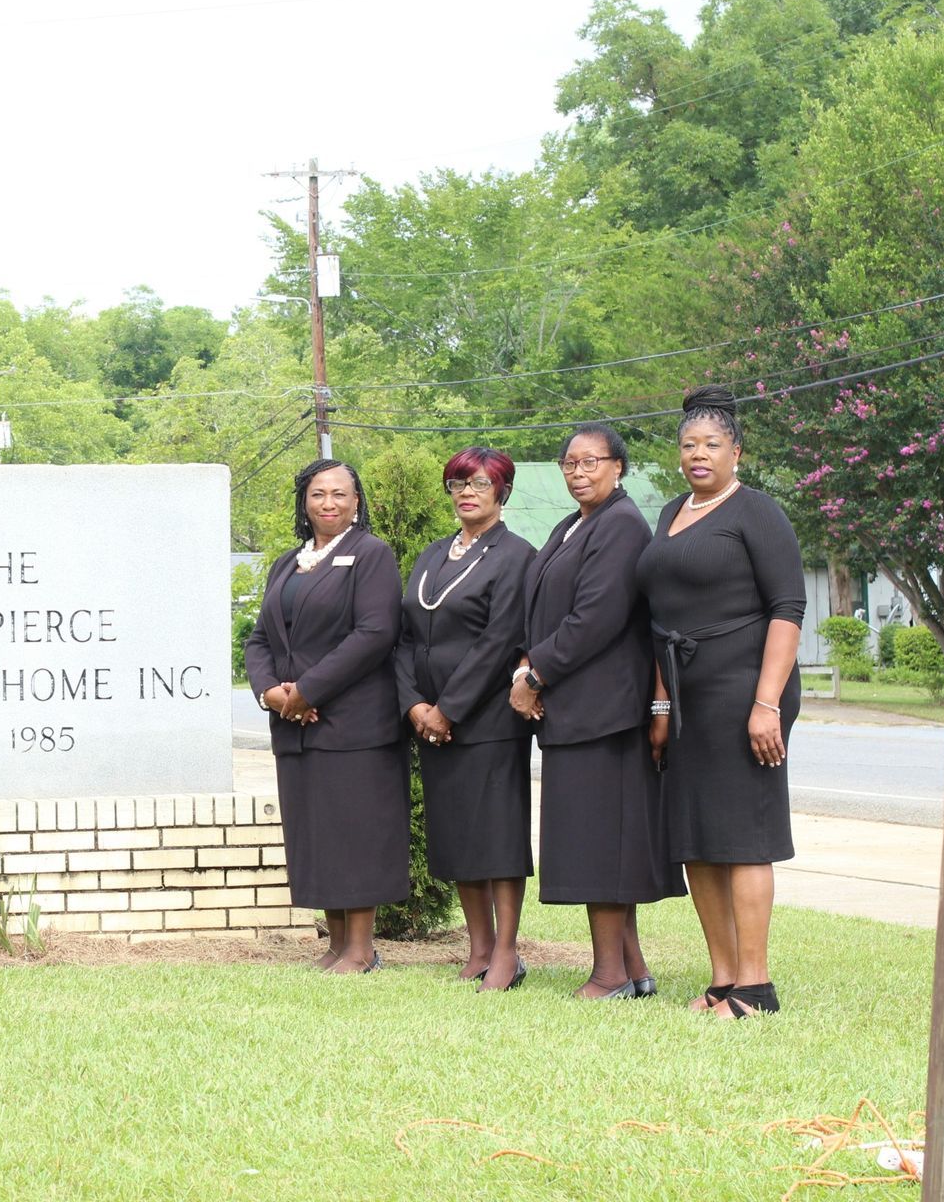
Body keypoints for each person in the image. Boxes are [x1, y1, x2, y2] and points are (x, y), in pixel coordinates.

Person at [637, 385, 804, 1019]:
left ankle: (756, 987)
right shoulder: (673, 511)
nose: (698, 455)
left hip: (744, 687)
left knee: (743, 834)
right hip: (685, 690)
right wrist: (660, 705)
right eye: (688, 445)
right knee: (697, 838)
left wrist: (766, 704)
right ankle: (724, 977)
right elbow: (660, 616)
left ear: (737, 451)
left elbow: (788, 608)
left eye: (711, 444)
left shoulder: (757, 512)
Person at [509, 423, 682, 999]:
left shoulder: (623, 526)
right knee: (594, 838)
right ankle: (632, 969)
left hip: (606, 711)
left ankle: (608, 975)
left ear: (618, 467)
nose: (578, 472)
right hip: (576, 710)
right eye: (569, 464)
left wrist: (536, 674)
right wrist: (529, 666)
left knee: (602, 843)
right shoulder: (572, 525)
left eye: (591, 462)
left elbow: (596, 618)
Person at [243, 458, 405, 975]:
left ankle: (361, 949)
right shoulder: (288, 563)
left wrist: (309, 691)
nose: (328, 503)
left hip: (353, 723)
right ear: (304, 501)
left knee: (355, 832)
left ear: (357, 502)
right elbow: (260, 638)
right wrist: (272, 692)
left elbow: (375, 634)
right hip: (296, 726)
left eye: (339, 494)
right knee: (318, 834)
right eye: (318, 494)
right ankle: (336, 944)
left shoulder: (372, 555)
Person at [394, 448, 537, 993]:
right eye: (457, 482)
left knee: (496, 836)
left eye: (479, 482)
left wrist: (448, 709)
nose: (467, 491)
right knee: (457, 836)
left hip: (488, 720)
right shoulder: (432, 555)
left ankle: (507, 952)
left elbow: (499, 640)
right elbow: (403, 638)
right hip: (431, 722)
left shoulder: (517, 555)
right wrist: (415, 707)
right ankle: (478, 947)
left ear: (502, 490)